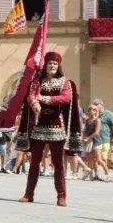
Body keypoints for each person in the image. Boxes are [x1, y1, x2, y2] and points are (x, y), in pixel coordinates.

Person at [16, 52, 82, 207]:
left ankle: (61, 196)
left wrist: (45, 99)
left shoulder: (65, 82)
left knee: (58, 163)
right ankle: (28, 194)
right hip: (39, 126)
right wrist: (34, 103)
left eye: (55, 64)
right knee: (34, 162)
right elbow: (31, 96)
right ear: (45, 65)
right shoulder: (37, 81)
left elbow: (65, 98)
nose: (52, 66)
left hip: (57, 127)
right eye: (50, 63)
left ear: (58, 66)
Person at [92, 98, 113, 180]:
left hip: (105, 139)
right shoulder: (95, 114)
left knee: (107, 158)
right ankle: (97, 175)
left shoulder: (108, 114)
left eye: (96, 105)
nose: (95, 106)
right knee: (96, 158)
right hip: (96, 140)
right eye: (94, 105)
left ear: (101, 105)